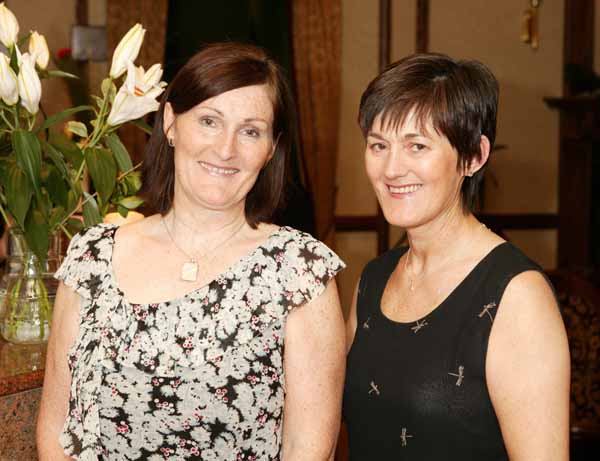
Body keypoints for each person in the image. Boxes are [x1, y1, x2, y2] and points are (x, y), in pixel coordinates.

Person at [37, 42, 346, 461]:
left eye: (251, 131)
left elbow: (307, 449)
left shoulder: (299, 271)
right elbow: (58, 431)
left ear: (271, 148)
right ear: (170, 123)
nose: (225, 149)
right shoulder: (92, 257)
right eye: (209, 121)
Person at [342, 53, 570, 460]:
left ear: (474, 156)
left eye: (417, 145)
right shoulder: (372, 279)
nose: (392, 168)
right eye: (378, 145)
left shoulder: (516, 295)